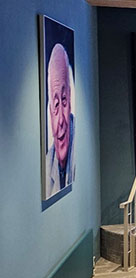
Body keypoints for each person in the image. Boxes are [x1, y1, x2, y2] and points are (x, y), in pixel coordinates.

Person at [44, 43, 76, 198]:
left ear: (70, 100)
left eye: (63, 101)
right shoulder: (47, 164)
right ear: (50, 112)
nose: (61, 120)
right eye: (56, 105)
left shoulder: (78, 151)